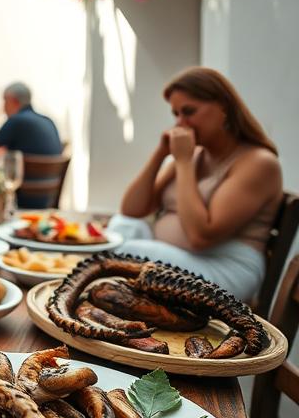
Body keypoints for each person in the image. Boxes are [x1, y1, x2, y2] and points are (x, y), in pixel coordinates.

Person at [110, 67, 283, 301]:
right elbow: (132, 210)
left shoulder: (258, 163)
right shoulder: (196, 153)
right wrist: (160, 154)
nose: (181, 123)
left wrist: (183, 162)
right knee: (122, 226)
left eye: (189, 112)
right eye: (176, 114)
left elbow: (200, 237)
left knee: (115, 251)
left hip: (223, 269)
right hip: (179, 258)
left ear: (223, 107)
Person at [0, 82, 62, 209]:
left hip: (22, 199)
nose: (3, 108)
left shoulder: (16, 121)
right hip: (48, 199)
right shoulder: (49, 121)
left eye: (4, 102)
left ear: (12, 100)